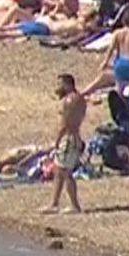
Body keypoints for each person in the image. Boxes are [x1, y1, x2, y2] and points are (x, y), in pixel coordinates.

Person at [44, 73, 86, 215]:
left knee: (65, 172)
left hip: (68, 139)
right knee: (58, 170)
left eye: (60, 84)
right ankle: (54, 203)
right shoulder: (80, 99)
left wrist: (56, 141)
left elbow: (65, 124)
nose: (58, 88)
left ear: (67, 84)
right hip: (75, 138)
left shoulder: (69, 101)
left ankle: (75, 205)